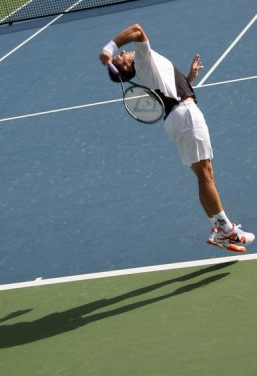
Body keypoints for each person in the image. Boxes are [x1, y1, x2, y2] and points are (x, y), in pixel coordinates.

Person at [99, 23, 255, 252]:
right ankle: (227, 229)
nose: (122, 54)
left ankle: (216, 228)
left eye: (121, 54)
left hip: (177, 118)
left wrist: (189, 78)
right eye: (120, 58)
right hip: (186, 117)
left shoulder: (147, 69)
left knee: (204, 176)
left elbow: (173, 92)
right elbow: (136, 30)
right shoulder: (143, 59)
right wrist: (109, 48)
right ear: (127, 68)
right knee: (206, 175)